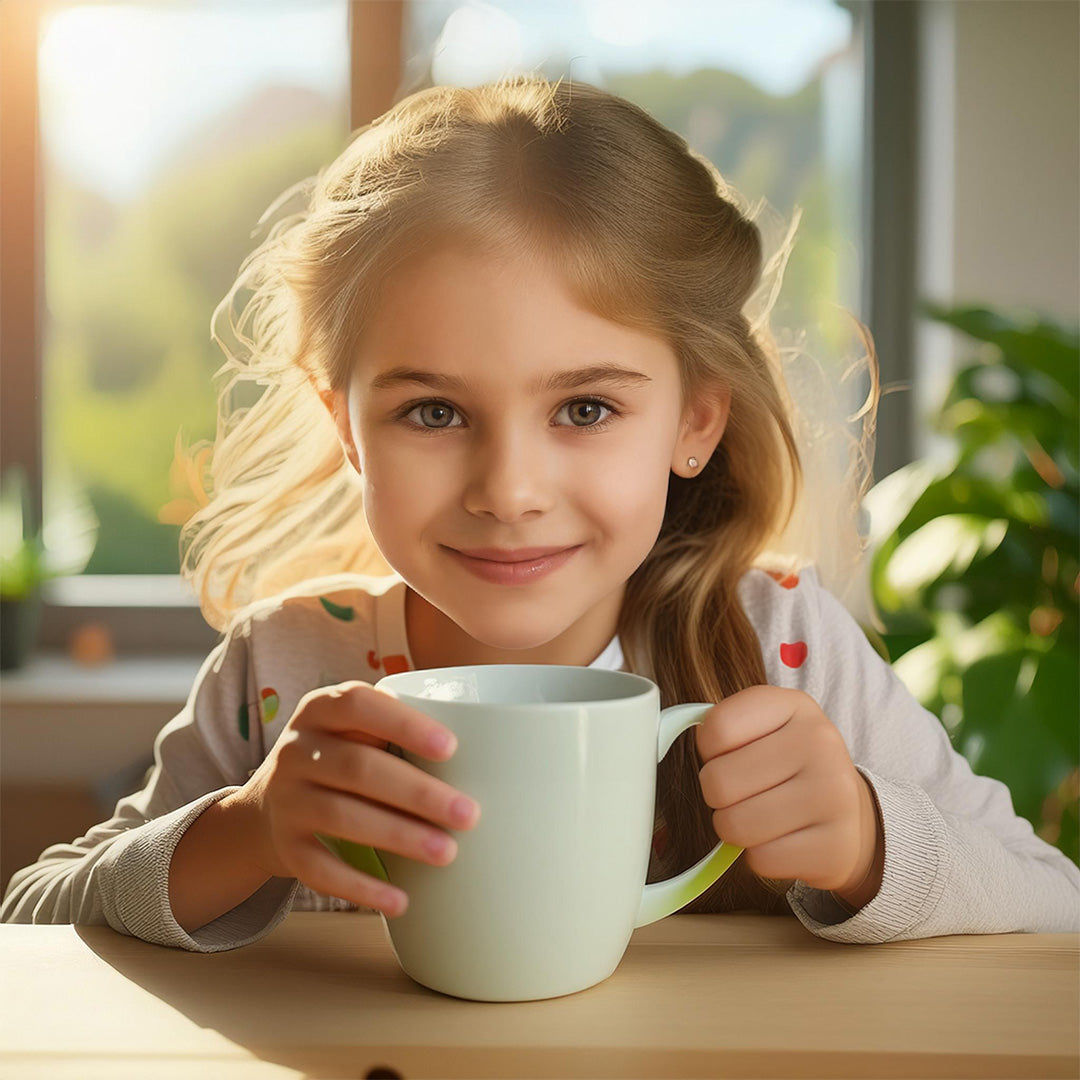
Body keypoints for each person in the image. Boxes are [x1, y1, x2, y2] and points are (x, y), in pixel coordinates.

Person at [3, 75, 1077, 952]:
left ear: (695, 421)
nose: (508, 490)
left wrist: (868, 841)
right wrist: (246, 833)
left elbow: (1052, 897)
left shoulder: (784, 648)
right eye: (433, 410)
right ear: (346, 428)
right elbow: (33, 919)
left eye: (585, 407)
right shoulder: (283, 667)